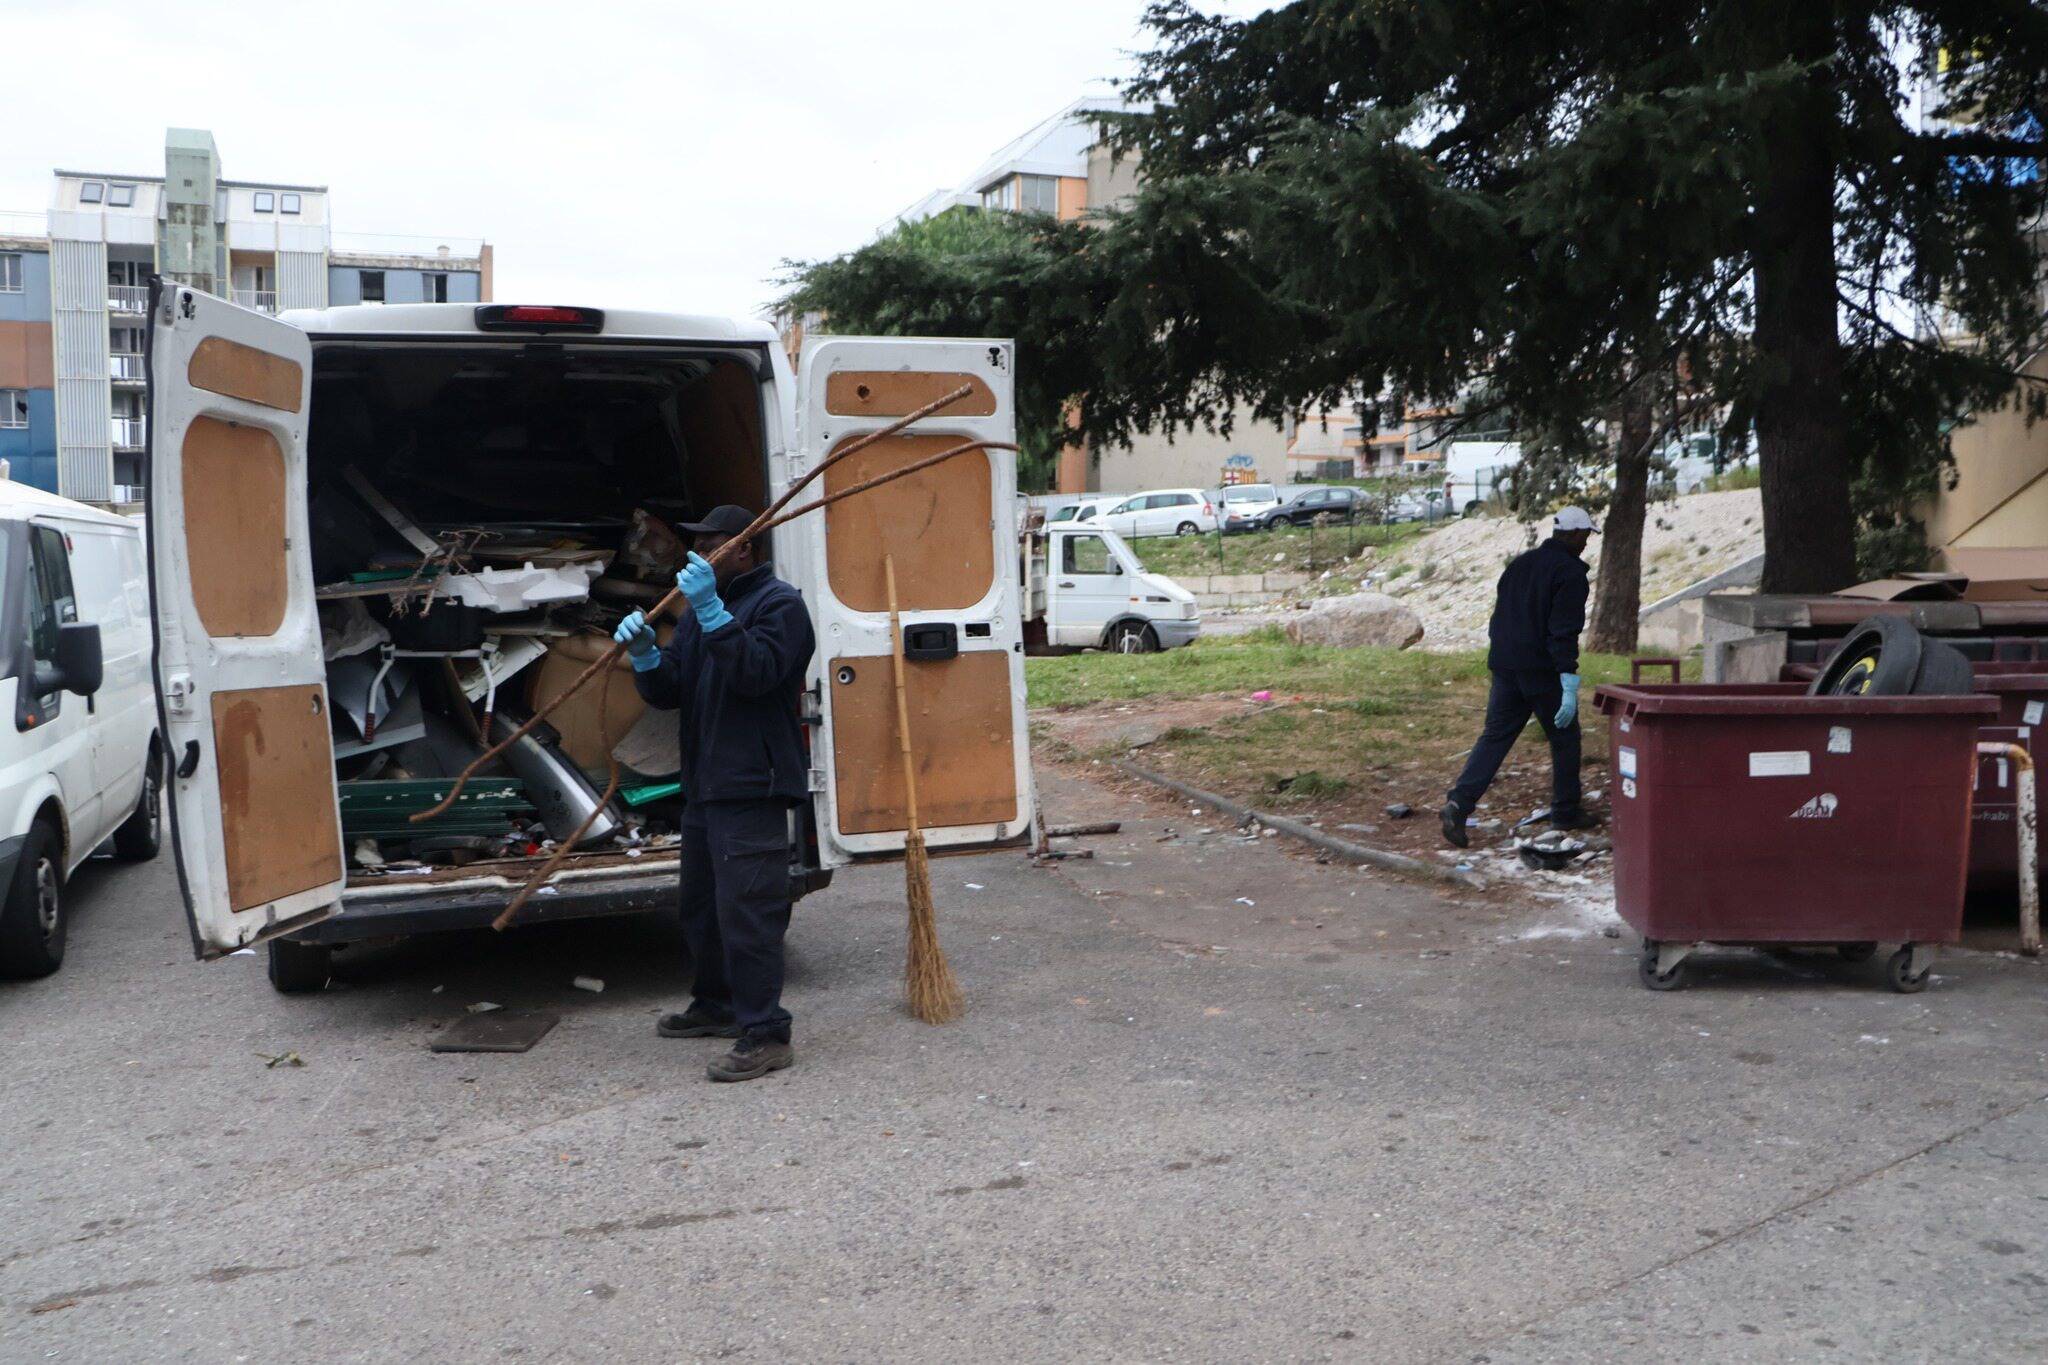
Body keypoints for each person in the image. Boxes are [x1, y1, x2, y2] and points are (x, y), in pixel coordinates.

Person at [612, 505, 816, 1082]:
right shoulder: (703, 612)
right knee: (702, 908)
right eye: (697, 547)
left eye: (712, 546)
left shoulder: (781, 606)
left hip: (752, 784)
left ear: (744, 549)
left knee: (749, 913)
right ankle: (718, 1004)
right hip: (706, 783)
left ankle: (766, 1033)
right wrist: (646, 654)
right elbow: (669, 690)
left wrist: (709, 610)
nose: (698, 556)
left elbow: (756, 673)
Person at [1441, 506, 1600, 848]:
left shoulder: (1520, 564)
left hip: (1505, 665)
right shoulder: (1570, 573)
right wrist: (1567, 678)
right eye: (1586, 535)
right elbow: (1564, 630)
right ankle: (1566, 811)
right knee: (1565, 738)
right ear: (1573, 534)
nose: (1587, 542)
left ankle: (1458, 804)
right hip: (1542, 670)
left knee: (1495, 737)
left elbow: (1499, 617)